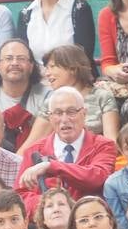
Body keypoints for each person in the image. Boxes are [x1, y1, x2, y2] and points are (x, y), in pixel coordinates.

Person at [14, 87, 117, 218]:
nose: (64, 119)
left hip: (91, 223)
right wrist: (53, 206)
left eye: (71, 112)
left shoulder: (103, 145)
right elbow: (20, 197)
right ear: (50, 117)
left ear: (84, 114)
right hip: (49, 228)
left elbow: (98, 177)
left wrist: (51, 166)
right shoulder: (34, 152)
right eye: (58, 113)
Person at [0, 38, 50, 154]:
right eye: (8, 58)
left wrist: (14, 164)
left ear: (31, 66)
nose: (14, 63)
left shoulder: (47, 96)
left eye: (21, 58)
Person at [28, 44, 119, 142]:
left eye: (52, 67)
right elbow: (31, 144)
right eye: (47, 68)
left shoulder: (102, 97)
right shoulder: (50, 102)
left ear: (72, 68)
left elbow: (111, 141)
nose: (47, 73)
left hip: (96, 154)